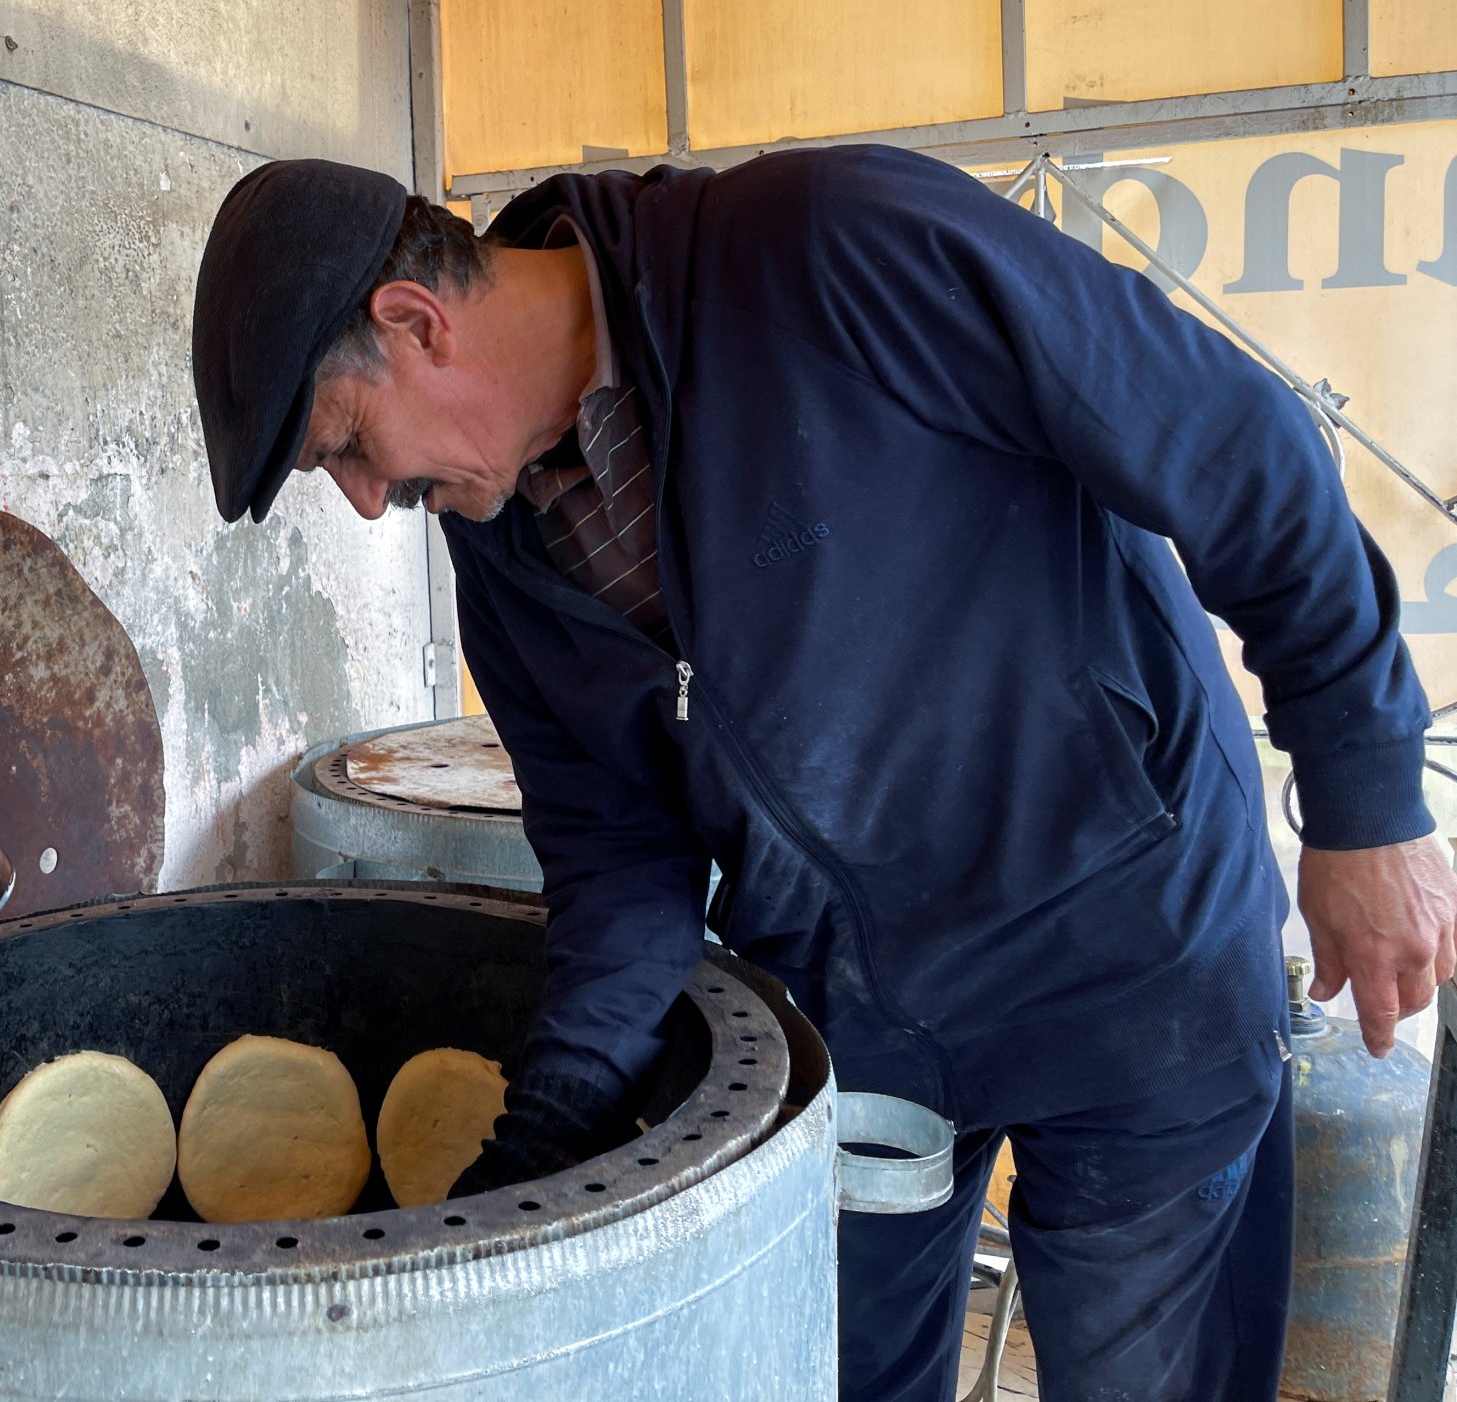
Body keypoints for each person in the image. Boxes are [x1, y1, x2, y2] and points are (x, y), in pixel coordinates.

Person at [189, 147, 1457, 1400]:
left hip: (1126, 960)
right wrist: (537, 1149)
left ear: (413, 323)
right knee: (828, 1371)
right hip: (865, 1018)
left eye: (346, 445)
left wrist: (1364, 797)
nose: (366, 502)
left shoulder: (827, 250)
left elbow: (1229, 446)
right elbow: (616, 857)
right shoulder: (507, 561)